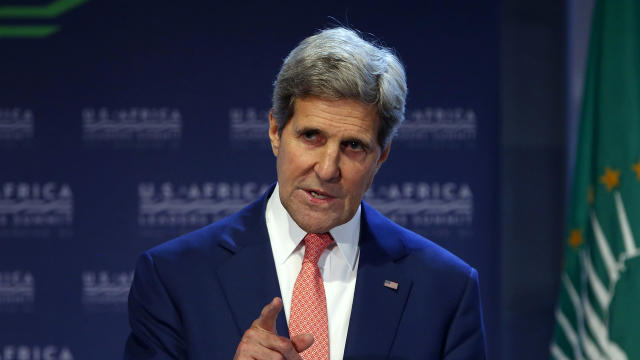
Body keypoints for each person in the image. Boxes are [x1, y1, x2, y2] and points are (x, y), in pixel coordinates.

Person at [124, 27, 486, 360]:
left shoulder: (445, 289)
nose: (328, 169)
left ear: (382, 157)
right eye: (311, 136)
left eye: (354, 146)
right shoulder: (174, 277)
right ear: (276, 131)